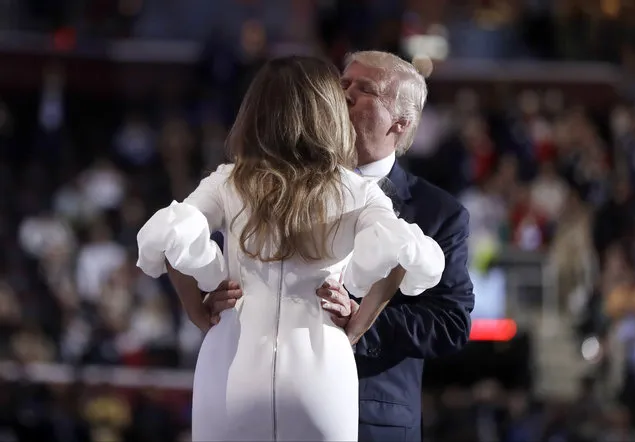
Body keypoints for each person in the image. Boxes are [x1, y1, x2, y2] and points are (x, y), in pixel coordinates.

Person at [136, 56, 446, 441]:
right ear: (327, 112)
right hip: (321, 375)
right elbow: (404, 252)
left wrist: (197, 311)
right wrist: (357, 325)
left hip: (232, 365)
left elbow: (170, 235)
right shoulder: (358, 191)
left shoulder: (228, 182)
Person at [206, 51, 475, 442]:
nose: (344, 94)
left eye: (364, 89)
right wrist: (213, 294)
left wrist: (362, 320)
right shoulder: (271, 183)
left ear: (400, 123)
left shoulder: (438, 213)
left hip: (370, 418)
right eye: (342, 83)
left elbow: (451, 323)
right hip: (265, 406)